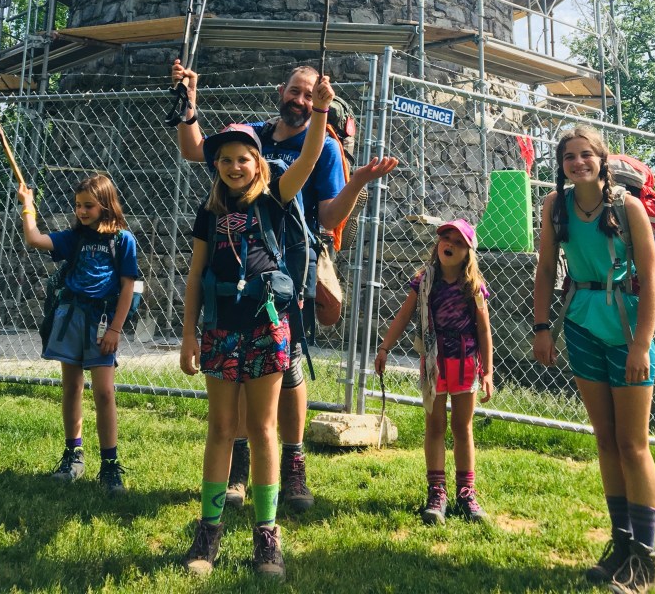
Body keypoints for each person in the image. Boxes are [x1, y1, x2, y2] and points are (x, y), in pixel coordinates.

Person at [172, 59, 397, 513]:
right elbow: (196, 149)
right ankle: (239, 467)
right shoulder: (251, 137)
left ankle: (291, 467)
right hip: (238, 268)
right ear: (281, 91)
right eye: (295, 91)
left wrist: (354, 181)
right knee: (240, 368)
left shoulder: (324, 146)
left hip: (291, 264)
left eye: (310, 95)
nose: (300, 100)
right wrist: (186, 100)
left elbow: (329, 215)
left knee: (286, 364)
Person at [179, 75, 335, 579]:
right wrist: (188, 334)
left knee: (265, 428)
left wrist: (321, 111)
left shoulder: (275, 199)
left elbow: (309, 158)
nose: (234, 166)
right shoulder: (208, 215)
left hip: (267, 329)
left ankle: (267, 534)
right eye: (225, 159)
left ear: (258, 162)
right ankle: (209, 531)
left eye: (243, 158)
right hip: (220, 329)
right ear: (216, 166)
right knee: (222, 428)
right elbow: (196, 276)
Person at [533, 128, 655, 594]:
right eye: (569, 156)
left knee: (633, 444)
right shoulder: (555, 206)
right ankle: (621, 546)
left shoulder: (628, 208)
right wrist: (542, 327)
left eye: (586, 154)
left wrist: (641, 345)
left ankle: (644, 560)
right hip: (581, 324)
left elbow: (651, 277)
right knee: (605, 440)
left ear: (602, 160)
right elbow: (546, 268)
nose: (578, 162)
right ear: (561, 165)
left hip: (627, 330)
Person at [18, 174, 138, 495]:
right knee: (71, 387)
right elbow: (34, 239)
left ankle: (110, 465)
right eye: (78, 205)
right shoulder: (74, 238)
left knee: (104, 392)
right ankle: (73, 455)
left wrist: (115, 329)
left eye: (88, 206)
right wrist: (28, 205)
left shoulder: (123, 240)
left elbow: (128, 287)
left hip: (102, 323)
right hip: (70, 317)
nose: (82, 211)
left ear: (106, 205)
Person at [375, 218, 493, 525]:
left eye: (458, 242)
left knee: (462, 427)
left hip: (465, 362)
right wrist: (385, 347)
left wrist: (487, 372)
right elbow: (404, 315)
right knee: (435, 426)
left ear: (468, 253)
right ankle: (436, 493)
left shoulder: (474, 287)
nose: (449, 244)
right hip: (434, 363)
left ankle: (466, 494)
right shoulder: (424, 281)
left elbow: (484, 330)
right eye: (445, 238)